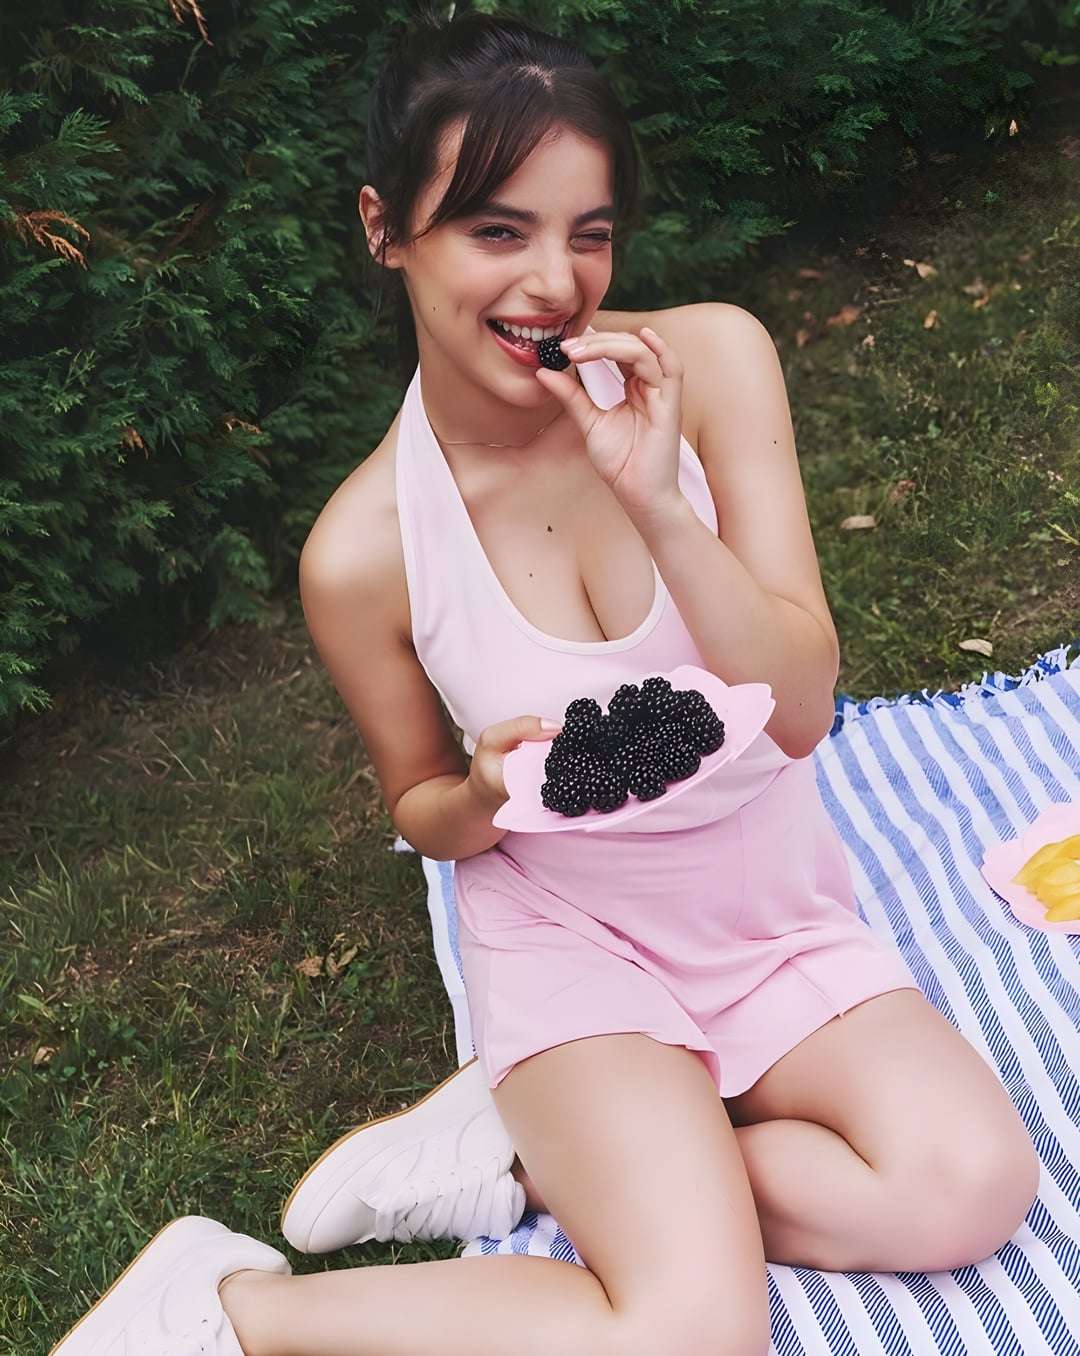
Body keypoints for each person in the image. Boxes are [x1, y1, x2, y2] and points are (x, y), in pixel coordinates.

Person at [51, 10, 1040, 1356]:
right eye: (497, 230)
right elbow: (419, 807)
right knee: (694, 1328)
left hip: (771, 917)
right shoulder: (363, 553)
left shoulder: (713, 362)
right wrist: (475, 796)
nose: (556, 282)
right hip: (578, 945)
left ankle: (532, 1156)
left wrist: (659, 501)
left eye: (590, 232)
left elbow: (802, 711)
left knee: (969, 1187)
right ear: (385, 228)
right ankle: (230, 1306)